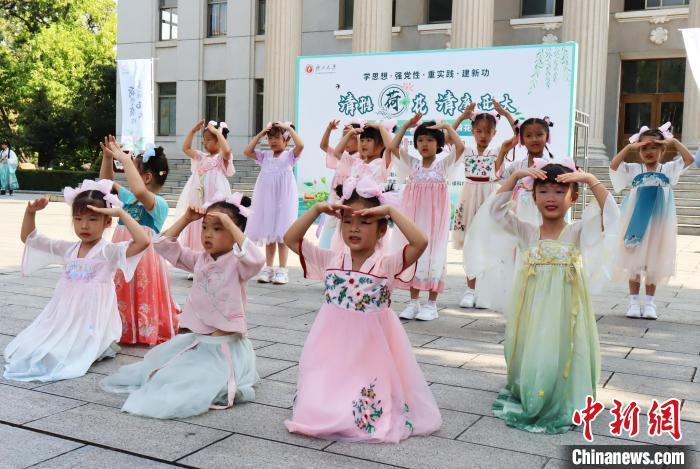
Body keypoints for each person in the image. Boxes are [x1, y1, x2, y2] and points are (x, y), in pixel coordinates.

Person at [283, 176, 441, 442]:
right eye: (347, 221)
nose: (354, 229)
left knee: (363, 401)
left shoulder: (386, 265)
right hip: (331, 342)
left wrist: (390, 211)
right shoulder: (330, 259)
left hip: (370, 347)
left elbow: (420, 242)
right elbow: (290, 238)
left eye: (365, 222)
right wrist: (317, 209)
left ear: (382, 230)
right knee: (322, 397)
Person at [101, 193, 264, 418]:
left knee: (190, 386)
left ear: (236, 232)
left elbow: (257, 259)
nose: (208, 234)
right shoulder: (200, 260)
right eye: (205, 227)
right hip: (199, 341)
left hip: (223, 345)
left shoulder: (239, 264)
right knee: (161, 373)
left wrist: (231, 225)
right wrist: (186, 219)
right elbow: (162, 245)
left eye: (218, 229)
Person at [490, 163, 619, 434]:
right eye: (544, 191)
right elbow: (495, 211)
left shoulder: (578, 231)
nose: (551, 198)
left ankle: (563, 391)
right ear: (534, 196)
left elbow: (611, 215)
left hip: (566, 309)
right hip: (534, 308)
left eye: (560, 192)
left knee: (563, 347)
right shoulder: (526, 231)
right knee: (535, 346)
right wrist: (516, 177)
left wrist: (591, 179)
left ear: (573, 197)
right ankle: (536, 386)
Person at [3, 181, 149, 382]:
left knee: (70, 352)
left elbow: (143, 242)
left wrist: (121, 214)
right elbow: (30, 239)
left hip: (92, 316)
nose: (84, 225)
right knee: (34, 348)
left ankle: (101, 344)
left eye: (92, 219)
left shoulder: (108, 251)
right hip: (64, 313)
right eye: (78, 219)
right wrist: (30, 213)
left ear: (107, 221)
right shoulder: (68, 249)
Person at [609, 123, 694, 320]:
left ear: (663, 150)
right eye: (644, 147)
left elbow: (689, 159)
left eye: (654, 147)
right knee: (634, 261)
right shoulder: (634, 169)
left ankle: (649, 303)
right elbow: (614, 165)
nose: (649, 151)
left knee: (653, 261)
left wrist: (674, 142)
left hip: (658, 222)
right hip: (636, 220)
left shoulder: (668, 169)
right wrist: (629, 147)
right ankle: (633, 302)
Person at [99, 137, 180, 345]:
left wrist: (125, 159)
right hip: (123, 251)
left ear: (146, 177)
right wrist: (108, 158)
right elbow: (104, 186)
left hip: (144, 259)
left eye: (132, 170)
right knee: (122, 288)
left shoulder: (158, 203)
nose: (127, 173)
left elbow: (140, 191)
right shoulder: (128, 198)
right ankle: (121, 327)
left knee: (140, 290)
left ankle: (142, 329)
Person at [389, 113, 465, 321]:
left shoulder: (443, 166)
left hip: (435, 223)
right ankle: (413, 302)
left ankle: (431, 304)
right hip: (414, 219)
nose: (425, 144)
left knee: (435, 255)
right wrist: (406, 126)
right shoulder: (412, 165)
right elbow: (393, 147)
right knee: (414, 254)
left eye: (430, 140)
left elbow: (460, 148)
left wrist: (448, 128)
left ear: (439, 144)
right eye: (421, 140)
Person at [450, 100, 517, 308]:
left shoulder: (497, 151)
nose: (483, 135)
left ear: (494, 133)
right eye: (479, 131)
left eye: (488, 131)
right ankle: (470, 289)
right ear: (472, 131)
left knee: (488, 243)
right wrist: (462, 117)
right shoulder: (466, 150)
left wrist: (505, 113)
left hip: (490, 196)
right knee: (470, 242)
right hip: (469, 196)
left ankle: (484, 290)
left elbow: (518, 136)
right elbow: (447, 137)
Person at [243, 121, 304, 285]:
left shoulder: (289, 156)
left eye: (277, 138)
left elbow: (301, 145)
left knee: (282, 233)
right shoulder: (265, 156)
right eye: (270, 138)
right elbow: (247, 151)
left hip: (284, 199)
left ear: (286, 140)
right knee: (269, 233)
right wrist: (260, 134)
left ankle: (282, 270)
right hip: (267, 199)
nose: (273, 141)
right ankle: (268, 268)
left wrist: (289, 129)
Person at [176, 120, 234, 253]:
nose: (204, 143)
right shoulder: (201, 157)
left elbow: (227, 151)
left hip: (213, 198)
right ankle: (196, 256)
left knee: (212, 222)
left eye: (208, 140)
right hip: (198, 198)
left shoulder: (221, 159)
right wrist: (193, 131)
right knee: (197, 223)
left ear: (219, 141)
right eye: (204, 140)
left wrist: (217, 133)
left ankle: (214, 252)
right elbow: (186, 148)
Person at [318, 119, 361, 248]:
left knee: (345, 225)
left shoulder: (360, 157)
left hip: (350, 197)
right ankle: (329, 250)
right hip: (336, 195)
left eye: (351, 137)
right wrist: (329, 129)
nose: (346, 140)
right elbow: (323, 146)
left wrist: (358, 135)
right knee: (331, 224)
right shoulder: (343, 155)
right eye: (344, 136)